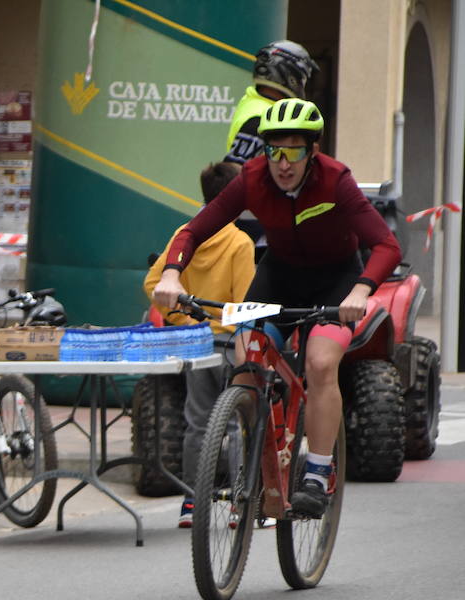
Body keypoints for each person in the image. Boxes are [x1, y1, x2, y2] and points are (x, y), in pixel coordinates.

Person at [150, 99, 401, 520]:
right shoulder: (251, 179)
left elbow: (386, 246)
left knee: (321, 364)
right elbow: (195, 230)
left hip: (336, 282)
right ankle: (264, 454)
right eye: (274, 151)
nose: (283, 163)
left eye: (294, 151)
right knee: (245, 358)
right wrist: (172, 274)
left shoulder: (336, 181)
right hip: (279, 277)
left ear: (312, 151)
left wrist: (361, 290)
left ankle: (317, 475)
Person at [143, 161, 255, 528]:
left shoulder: (185, 234)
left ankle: (192, 503)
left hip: (195, 343)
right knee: (236, 422)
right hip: (228, 344)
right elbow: (245, 302)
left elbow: (153, 285)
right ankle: (239, 501)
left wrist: (182, 319)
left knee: (197, 424)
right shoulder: (240, 242)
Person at [224, 40, 317, 165]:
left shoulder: (253, 101)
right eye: (303, 79)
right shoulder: (261, 118)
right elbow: (236, 170)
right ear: (291, 76)